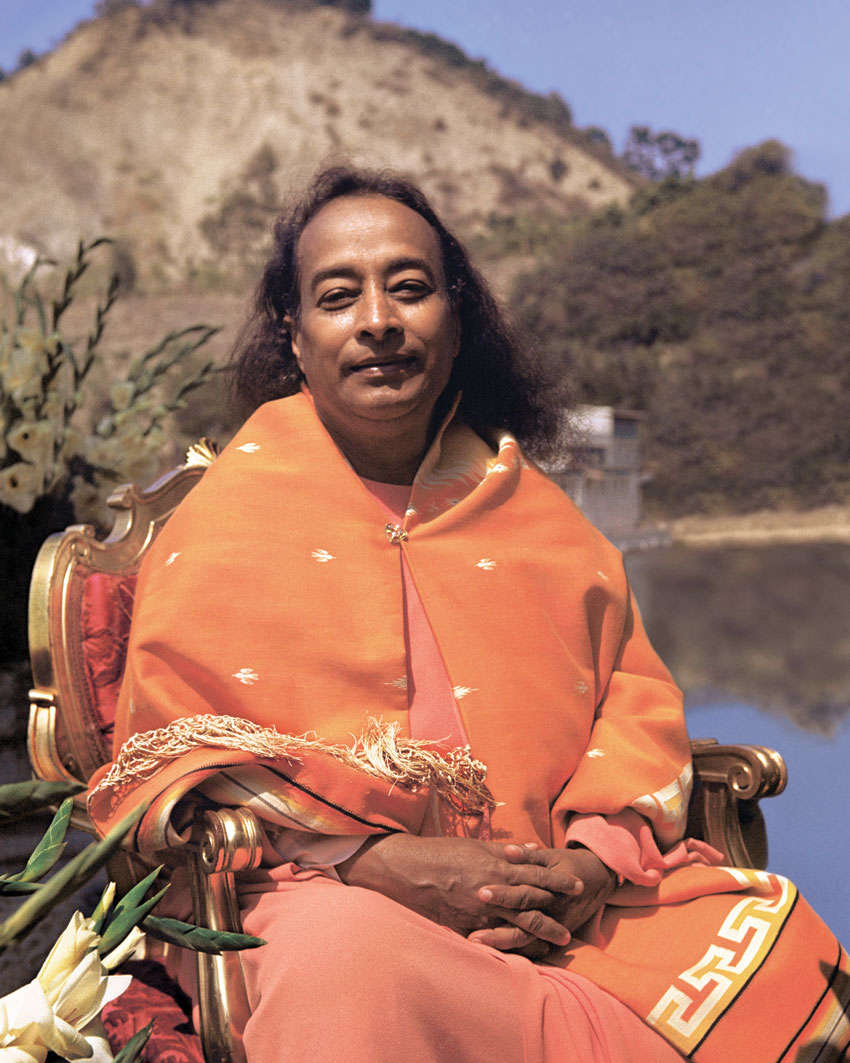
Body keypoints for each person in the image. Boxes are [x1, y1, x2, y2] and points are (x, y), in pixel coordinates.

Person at [88, 166, 850, 1062]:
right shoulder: (222, 524)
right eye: (339, 296)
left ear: (457, 320)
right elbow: (174, 763)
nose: (378, 319)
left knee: (779, 950)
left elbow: (632, 707)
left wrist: (587, 865)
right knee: (346, 964)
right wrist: (374, 864)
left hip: (563, 903)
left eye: (410, 288)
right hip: (315, 894)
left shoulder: (533, 516)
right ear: (295, 334)